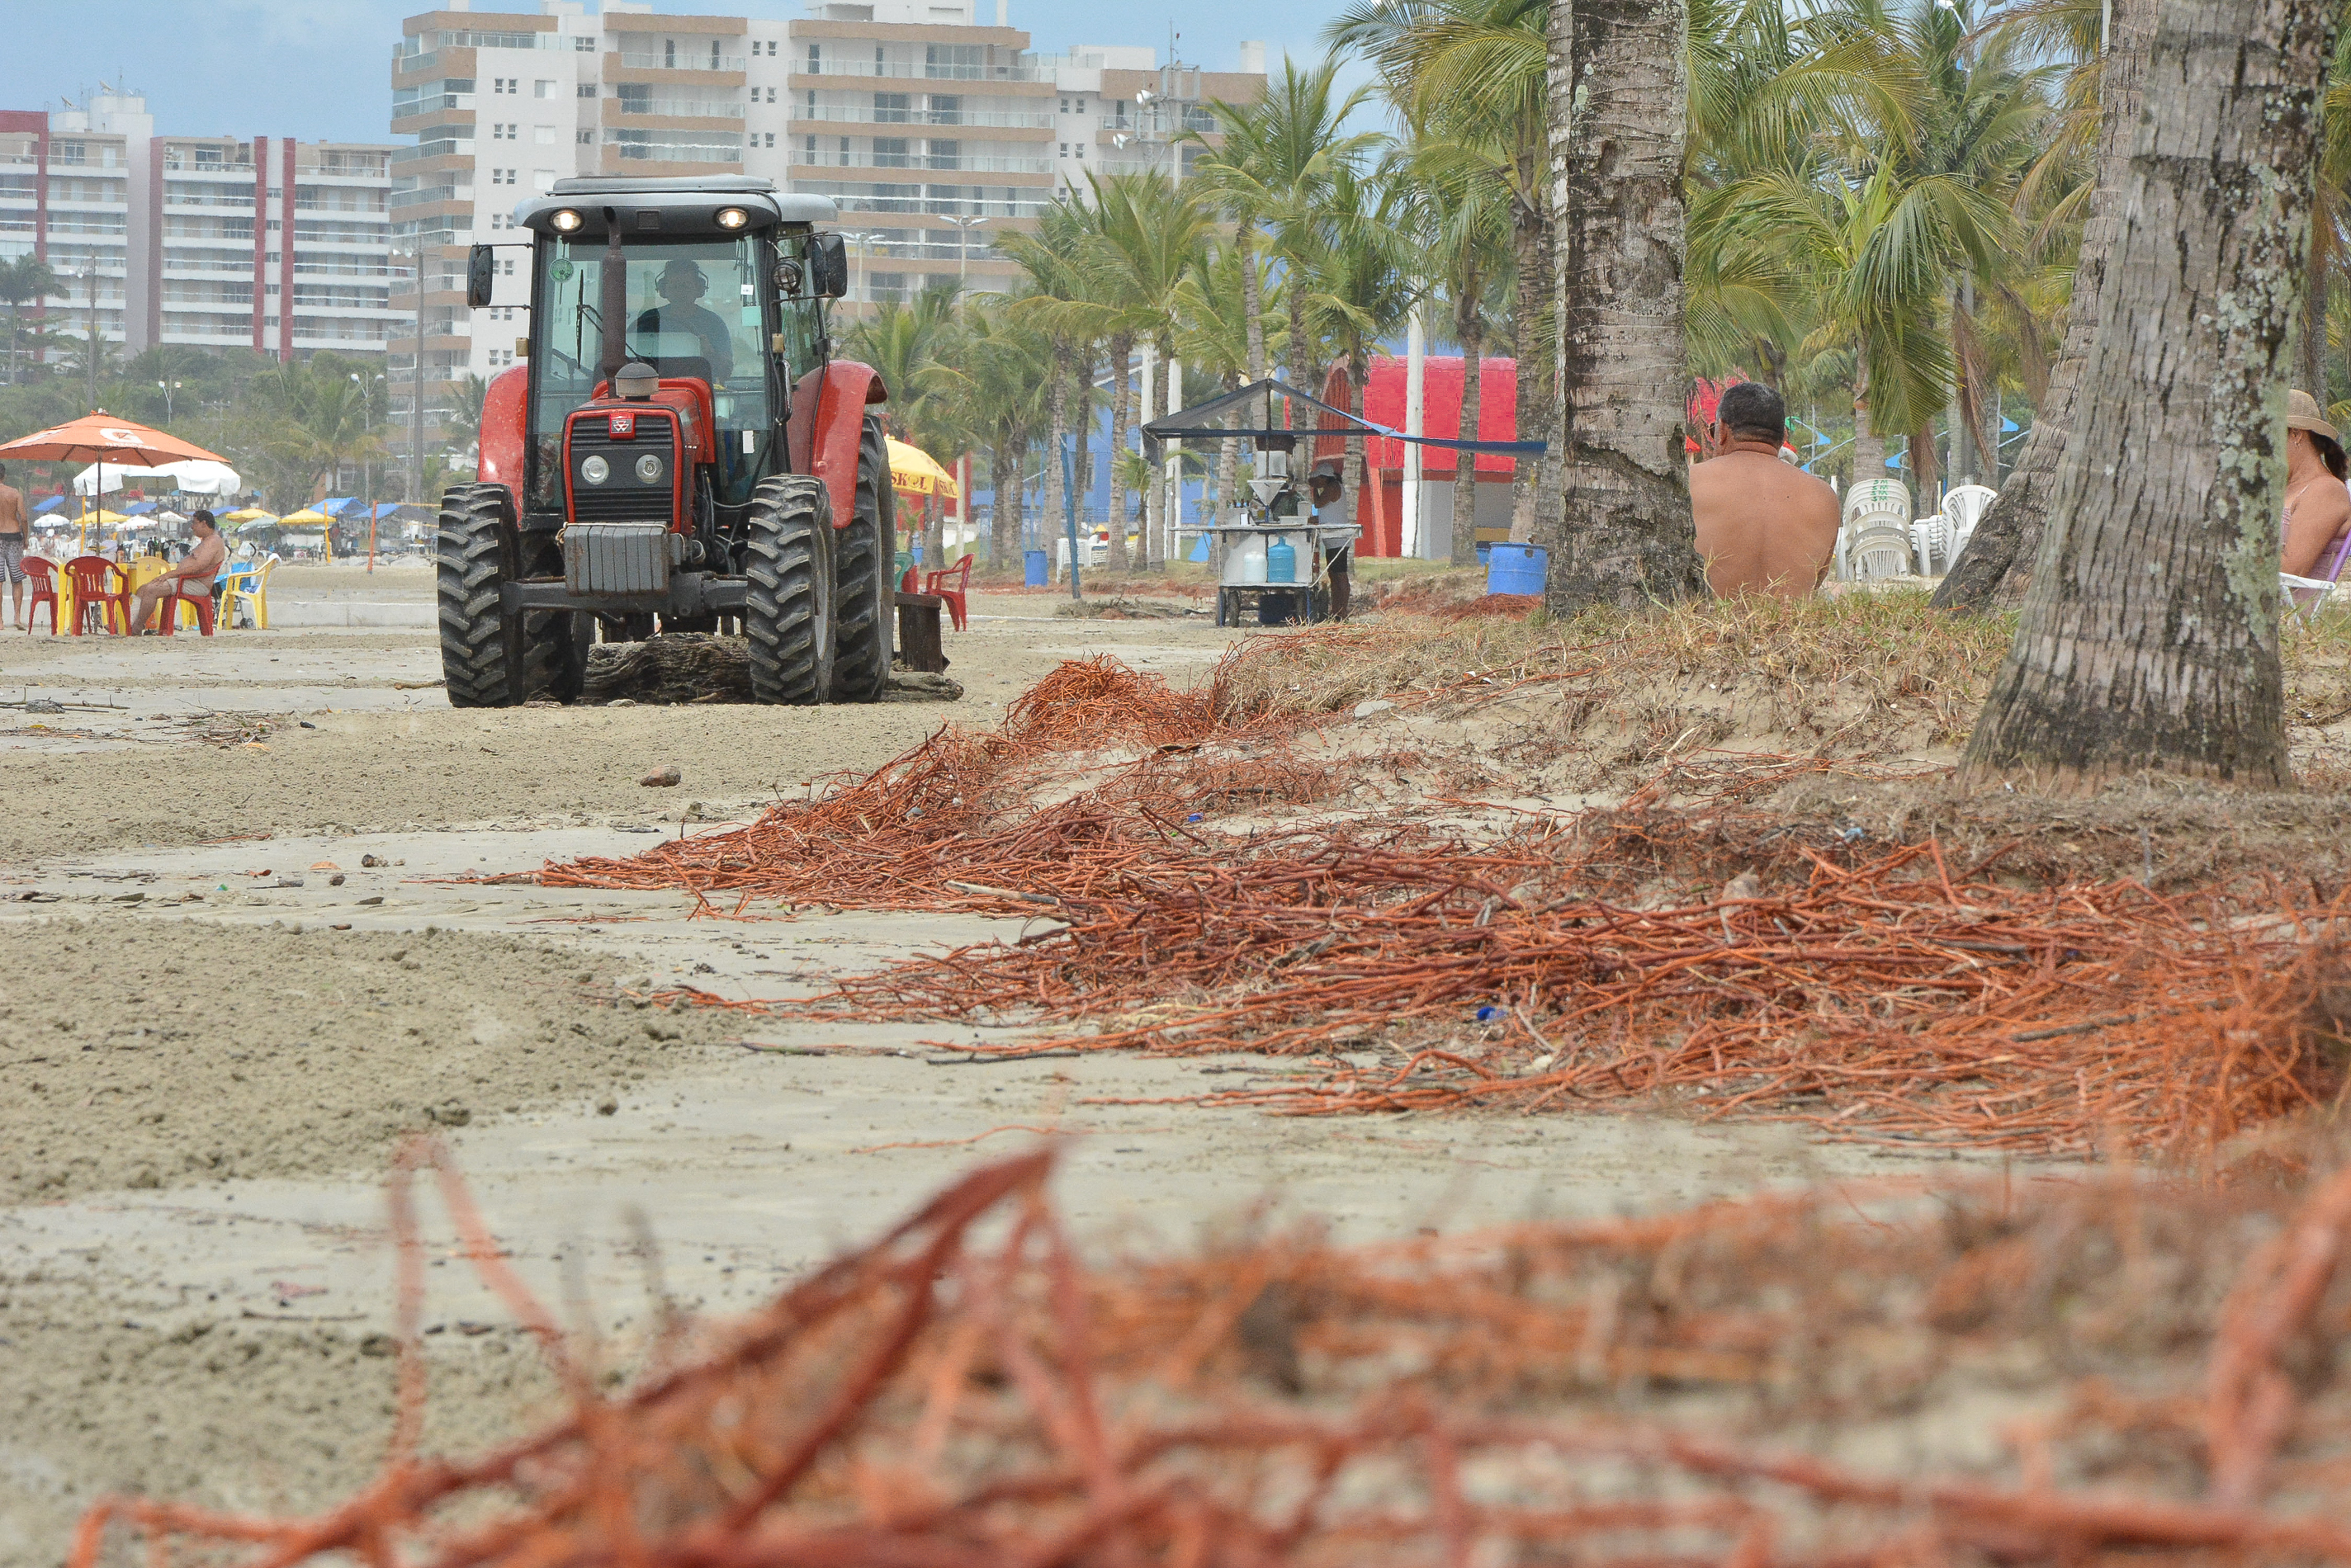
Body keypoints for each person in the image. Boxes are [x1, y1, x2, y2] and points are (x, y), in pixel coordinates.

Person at [1688, 381, 1840, 598]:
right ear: (1783, 437)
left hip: (1705, 629)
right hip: (1790, 630)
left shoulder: (1688, 482)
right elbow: (1815, 584)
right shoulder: (1823, 496)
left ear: (1722, 431)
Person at [2281, 390, 2351, 580]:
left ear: (2295, 434)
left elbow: (2291, 571)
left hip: (2286, 609)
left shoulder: (2325, 491)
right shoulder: (2288, 488)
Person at [632, 257, 734, 382]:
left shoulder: (714, 323)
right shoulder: (648, 321)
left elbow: (726, 373)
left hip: (700, 393)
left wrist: (709, 353)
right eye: (675, 286)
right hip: (651, 391)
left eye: (685, 286)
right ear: (664, 289)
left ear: (699, 289)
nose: (680, 292)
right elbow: (626, 363)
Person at [127, 509, 225, 634]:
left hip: (197, 584)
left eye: (194, 523)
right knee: (143, 589)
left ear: (204, 524)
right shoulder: (206, 541)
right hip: (187, 580)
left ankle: (137, 626)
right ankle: (127, 624)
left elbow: (199, 567)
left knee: (152, 589)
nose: (192, 527)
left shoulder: (213, 541)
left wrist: (170, 574)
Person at [0, 462, 24, 630]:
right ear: (4, 475)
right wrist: (27, 537)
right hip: (14, 537)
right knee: (17, 579)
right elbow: (24, 518)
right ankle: (17, 617)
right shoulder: (14, 493)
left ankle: (0, 621)